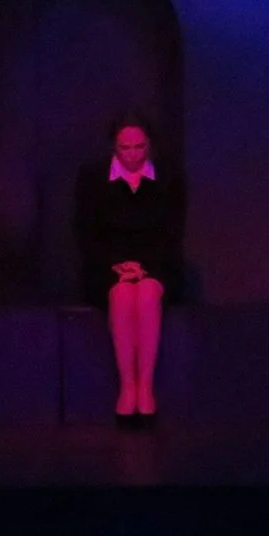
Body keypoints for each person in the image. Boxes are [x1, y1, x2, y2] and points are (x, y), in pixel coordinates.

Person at [74, 117, 185, 423]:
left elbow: (172, 235)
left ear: (149, 145)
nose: (133, 154)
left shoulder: (169, 178)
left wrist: (144, 267)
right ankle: (127, 388)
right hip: (106, 267)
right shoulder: (93, 178)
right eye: (126, 148)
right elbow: (86, 234)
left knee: (147, 293)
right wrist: (118, 266)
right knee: (123, 294)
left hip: (158, 265)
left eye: (139, 147)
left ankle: (145, 389)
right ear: (114, 147)